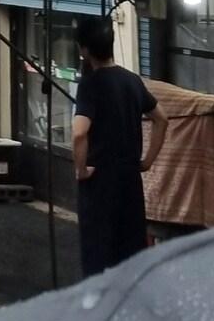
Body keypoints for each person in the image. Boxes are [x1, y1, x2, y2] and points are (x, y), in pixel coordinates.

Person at [71, 19, 167, 278]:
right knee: (129, 255)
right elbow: (161, 118)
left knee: (98, 256)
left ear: (84, 50)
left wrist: (80, 169)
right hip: (129, 183)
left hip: (99, 185)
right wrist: (147, 161)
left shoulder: (90, 85)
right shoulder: (132, 80)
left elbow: (79, 133)